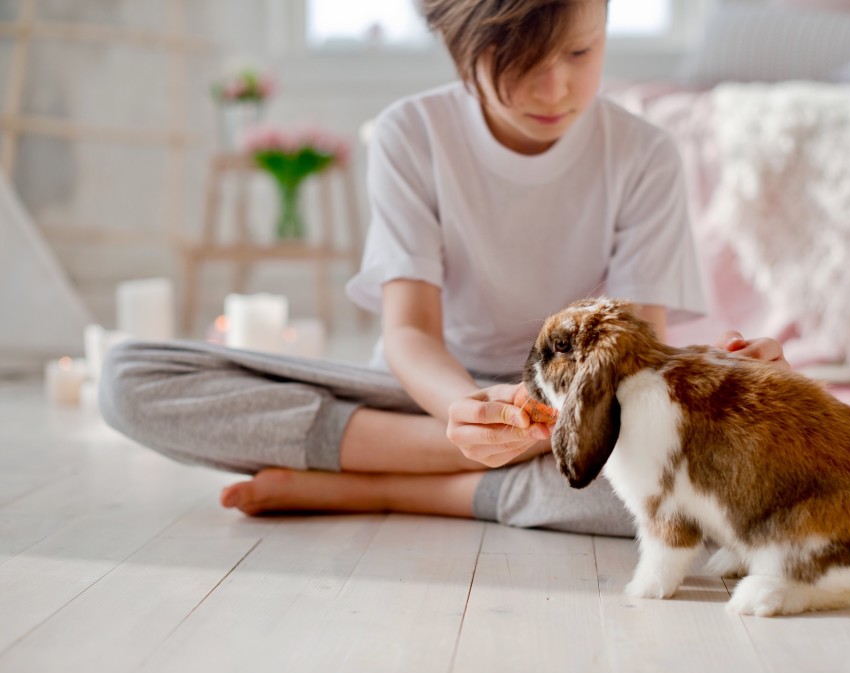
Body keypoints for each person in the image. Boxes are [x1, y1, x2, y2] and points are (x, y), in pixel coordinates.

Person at [99, 0, 787, 538]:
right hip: (425, 395)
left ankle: (379, 486)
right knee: (129, 380)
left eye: (580, 51)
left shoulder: (644, 154)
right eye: (519, 60)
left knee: (736, 494)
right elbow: (410, 334)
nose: (555, 86)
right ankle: (451, 473)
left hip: (577, 405)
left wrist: (722, 376)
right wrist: (464, 410)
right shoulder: (411, 134)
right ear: (459, 47)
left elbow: (632, 351)